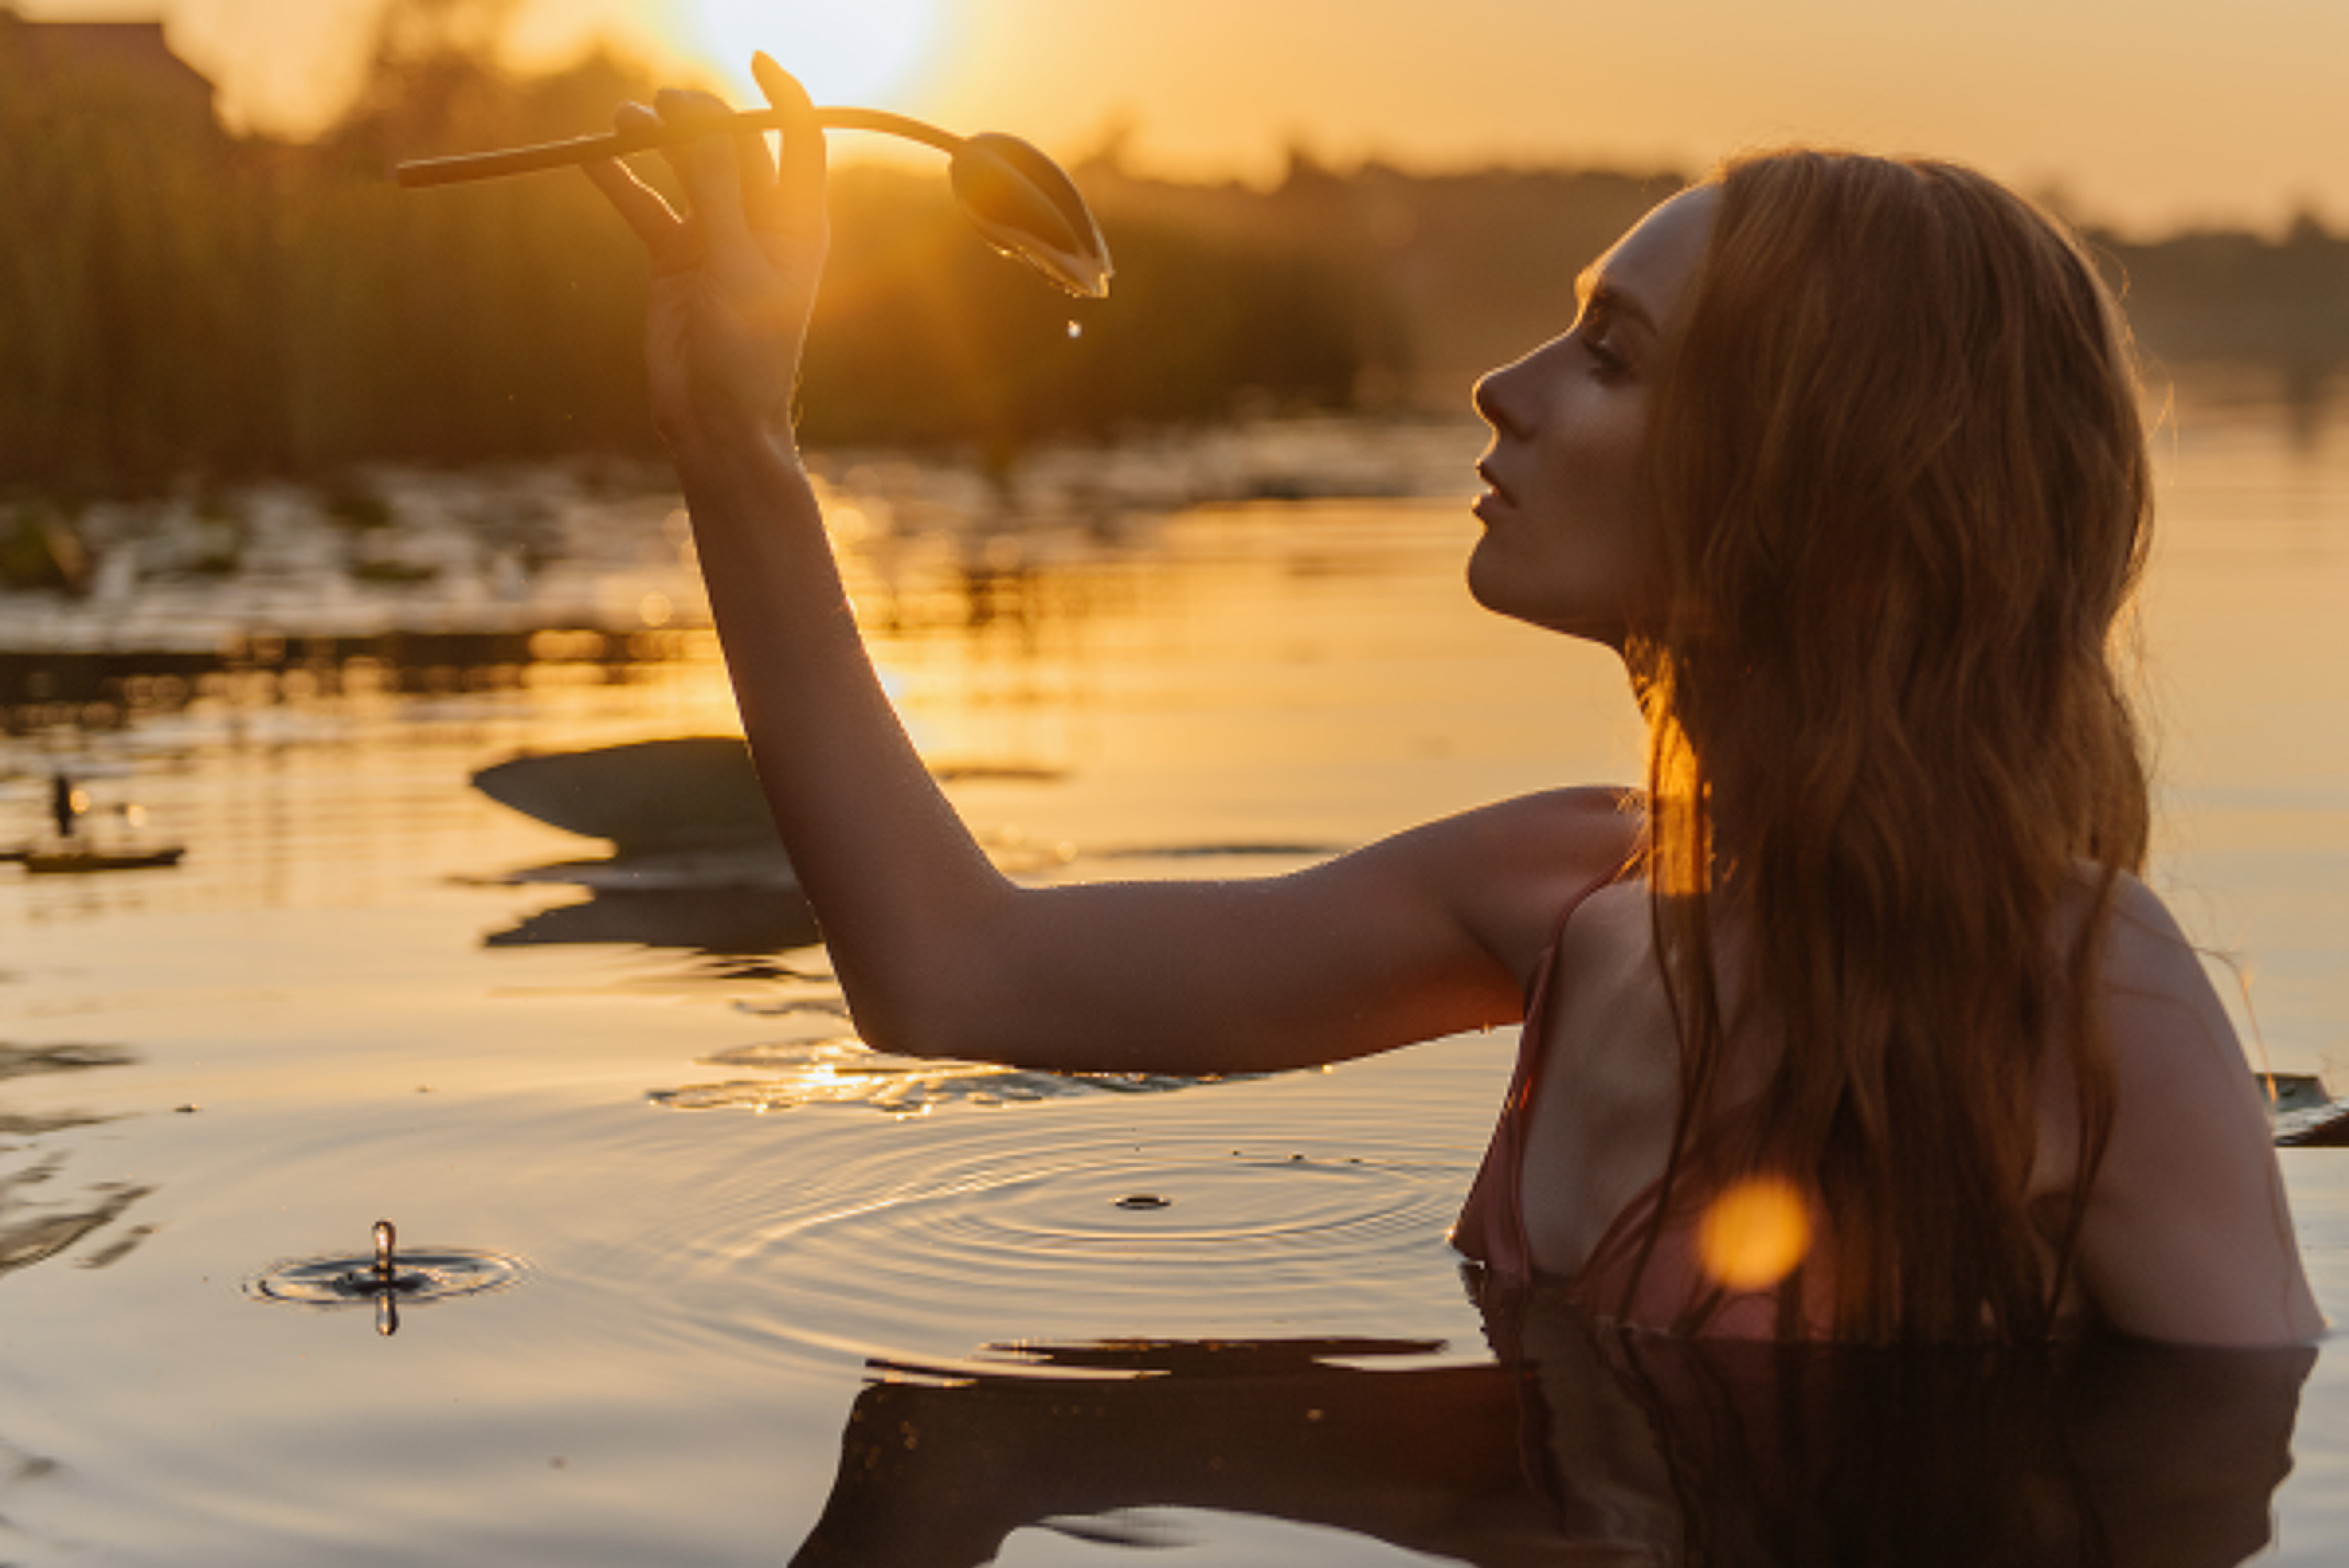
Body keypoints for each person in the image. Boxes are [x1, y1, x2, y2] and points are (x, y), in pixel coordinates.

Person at [581, 56, 2321, 1345]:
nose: (1500, 385)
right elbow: (949, 970)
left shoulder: (2091, 1001)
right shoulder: (1555, 897)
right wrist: (733, 435)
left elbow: (2241, 1470)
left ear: (1818, 485)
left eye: (1612, 356)